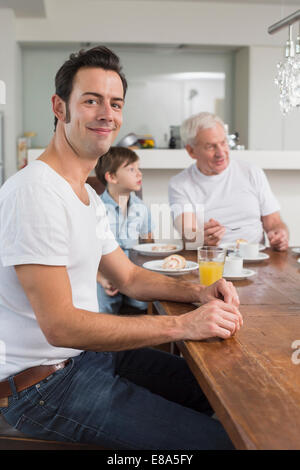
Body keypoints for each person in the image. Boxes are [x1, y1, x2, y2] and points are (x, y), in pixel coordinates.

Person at [0, 46, 242, 450]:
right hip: (41, 388)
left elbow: (127, 276)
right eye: (90, 100)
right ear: (60, 107)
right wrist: (184, 325)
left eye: (115, 103)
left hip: (85, 357)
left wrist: (197, 293)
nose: (105, 114)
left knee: (224, 393)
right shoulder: (35, 193)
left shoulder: (85, 195)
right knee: (220, 442)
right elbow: (59, 325)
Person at [168, 112, 289, 251]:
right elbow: (189, 234)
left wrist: (279, 235)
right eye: (210, 146)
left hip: (255, 258)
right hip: (211, 260)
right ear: (191, 151)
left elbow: (274, 223)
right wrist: (201, 239)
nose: (221, 153)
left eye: (223, 143)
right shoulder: (179, 184)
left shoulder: (251, 172)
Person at [95, 146, 154, 314]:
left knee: (145, 305)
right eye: (131, 169)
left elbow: (148, 245)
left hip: (133, 272)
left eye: (138, 168)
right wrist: (101, 278)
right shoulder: (96, 208)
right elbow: (84, 252)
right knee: (102, 307)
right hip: (104, 274)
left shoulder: (141, 208)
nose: (139, 173)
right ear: (112, 177)